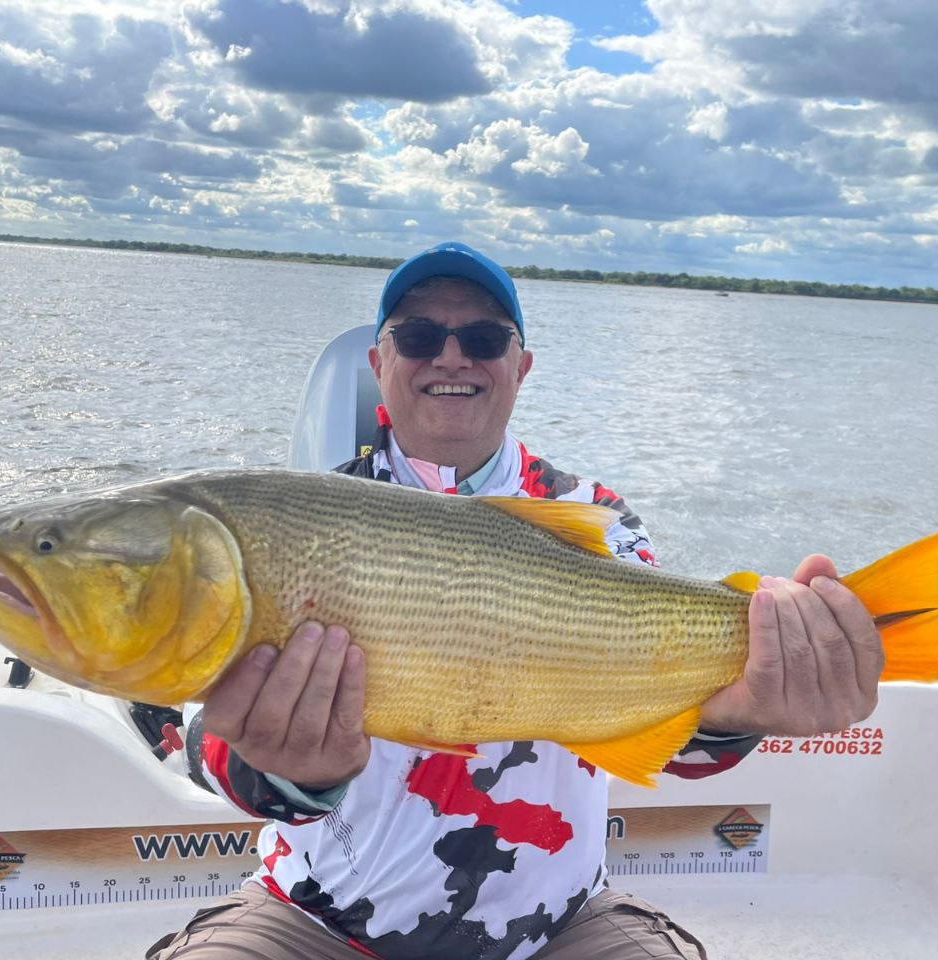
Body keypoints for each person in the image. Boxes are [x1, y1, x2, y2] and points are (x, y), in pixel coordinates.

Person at [147, 242, 883, 960]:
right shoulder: (301, 513)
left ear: (520, 367)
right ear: (379, 363)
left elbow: (673, 743)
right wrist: (284, 767)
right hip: (311, 918)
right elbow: (199, 736)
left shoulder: (597, 518)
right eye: (420, 335)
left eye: (484, 338)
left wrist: (747, 707)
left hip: (556, 927)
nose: (452, 356)